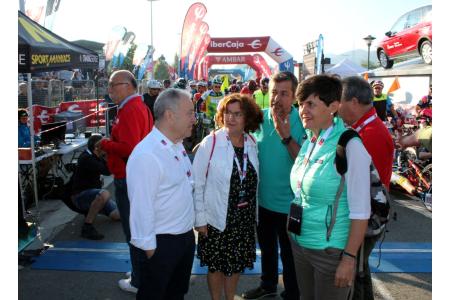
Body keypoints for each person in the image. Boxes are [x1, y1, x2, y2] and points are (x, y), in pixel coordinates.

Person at [290, 74, 370, 300]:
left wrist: (348, 258)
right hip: (300, 243)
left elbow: (361, 211)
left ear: (333, 106)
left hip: (330, 251)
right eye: (301, 104)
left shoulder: (350, 145)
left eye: (311, 104)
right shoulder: (311, 139)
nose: (303, 109)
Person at [127, 88, 196, 300]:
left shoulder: (176, 145)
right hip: (161, 244)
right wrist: (151, 253)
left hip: (183, 239)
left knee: (175, 294)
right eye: (190, 113)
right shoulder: (147, 154)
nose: (194, 118)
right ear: (169, 115)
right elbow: (141, 209)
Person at [193, 94, 263, 300]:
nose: (231, 118)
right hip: (217, 218)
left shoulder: (251, 142)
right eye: (227, 113)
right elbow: (197, 184)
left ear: (247, 117)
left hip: (243, 218)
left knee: (236, 264)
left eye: (237, 114)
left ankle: (230, 297)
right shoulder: (210, 143)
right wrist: (200, 219)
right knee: (216, 266)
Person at [242, 71, 304, 300]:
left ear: (295, 96)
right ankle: (267, 286)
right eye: (274, 93)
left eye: (284, 93)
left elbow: (307, 164)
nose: (277, 98)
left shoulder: (303, 121)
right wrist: (208, 142)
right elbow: (235, 133)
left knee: (290, 256)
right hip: (263, 202)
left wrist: (286, 135)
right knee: (267, 250)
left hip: (292, 205)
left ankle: (292, 293)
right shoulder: (260, 118)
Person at [97, 70, 153, 293]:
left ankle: (139, 280)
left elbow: (129, 148)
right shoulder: (136, 106)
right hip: (133, 176)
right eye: (109, 85)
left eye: (113, 85)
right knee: (138, 229)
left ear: (129, 85)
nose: (109, 90)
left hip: (128, 178)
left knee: (134, 231)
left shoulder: (131, 109)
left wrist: (106, 144)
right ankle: (141, 273)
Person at [338, 76, 394, 300]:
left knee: (355, 273)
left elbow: (368, 188)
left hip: (366, 218)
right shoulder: (365, 128)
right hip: (366, 216)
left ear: (353, 102)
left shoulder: (370, 134)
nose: (336, 106)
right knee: (359, 272)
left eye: (339, 101)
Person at [71, 134, 120, 240]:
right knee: (104, 193)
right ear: (97, 147)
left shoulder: (96, 156)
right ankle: (87, 227)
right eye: (104, 145)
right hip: (80, 196)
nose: (107, 147)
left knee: (117, 215)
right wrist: (108, 155)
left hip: (94, 194)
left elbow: (108, 170)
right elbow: (107, 171)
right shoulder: (87, 158)